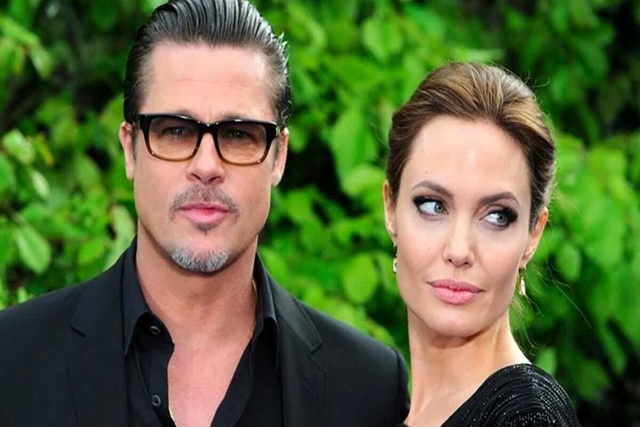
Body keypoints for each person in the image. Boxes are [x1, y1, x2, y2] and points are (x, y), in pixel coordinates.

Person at [0, 1, 410, 425]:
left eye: (238, 135)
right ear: (130, 150)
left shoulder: (368, 389)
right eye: (176, 131)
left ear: (279, 157)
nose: (207, 166)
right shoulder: (10, 360)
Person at [382, 62, 580, 426]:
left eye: (497, 216)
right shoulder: (380, 404)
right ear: (390, 209)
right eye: (433, 206)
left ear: (533, 235)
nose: (459, 251)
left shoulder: (527, 420)